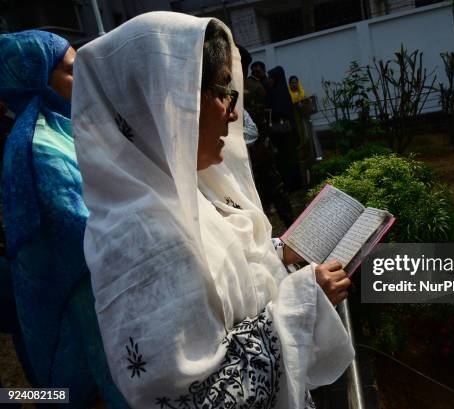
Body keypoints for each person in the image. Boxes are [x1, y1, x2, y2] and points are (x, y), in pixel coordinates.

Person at [72, 12, 353, 409]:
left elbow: (223, 275)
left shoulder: (185, 190)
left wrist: (278, 255)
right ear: (170, 101)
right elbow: (201, 400)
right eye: (224, 92)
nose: (234, 113)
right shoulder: (142, 240)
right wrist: (304, 302)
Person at [0, 31, 128, 408]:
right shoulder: (38, 149)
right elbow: (89, 236)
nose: (83, 81)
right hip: (81, 306)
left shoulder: (62, 127)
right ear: (36, 78)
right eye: (72, 72)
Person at [238, 45, 295, 228]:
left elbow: (262, 119)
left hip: (254, 149)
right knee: (272, 187)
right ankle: (288, 222)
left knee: (258, 190)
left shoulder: (243, 88)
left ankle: (270, 226)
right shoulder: (254, 87)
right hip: (259, 147)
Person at [267, 66, 303, 191]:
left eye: (271, 77)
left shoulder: (276, 93)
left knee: (287, 160)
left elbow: (281, 112)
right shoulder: (280, 91)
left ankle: (292, 186)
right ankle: (294, 185)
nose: (269, 80)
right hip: (286, 131)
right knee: (288, 159)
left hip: (283, 132)